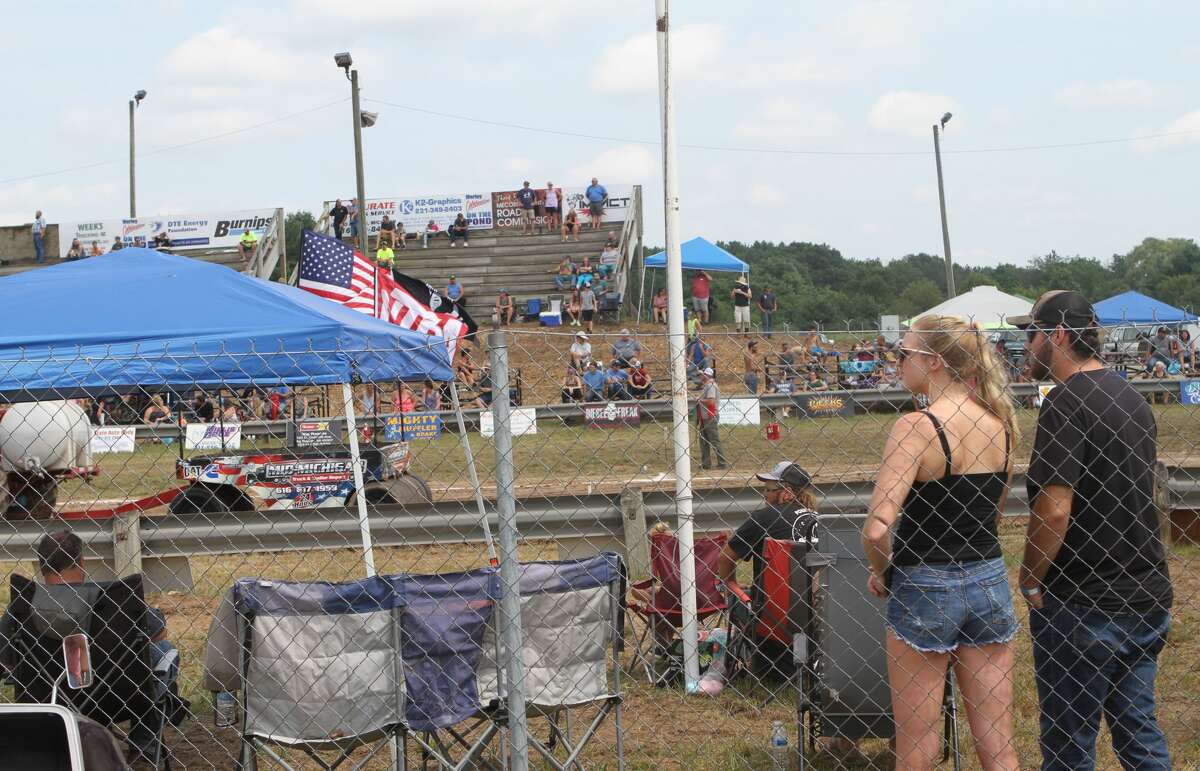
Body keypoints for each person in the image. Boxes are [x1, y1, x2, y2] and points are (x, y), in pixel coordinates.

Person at [1013, 291, 1174, 771]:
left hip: (1085, 600)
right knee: (1138, 731)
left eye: (1032, 332)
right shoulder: (1128, 395)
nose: (1028, 344)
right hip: (1145, 591)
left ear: (1058, 335)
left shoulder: (1064, 403)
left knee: (1069, 743)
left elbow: (1055, 509)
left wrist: (1030, 576)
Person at [861, 314, 1019, 771]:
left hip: (923, 583)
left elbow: (876, 528)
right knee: (997, 745)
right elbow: (992, 512)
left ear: (932, 362)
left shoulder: (916, 426)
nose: (898, 363)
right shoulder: (1000, 422)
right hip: (988, 580)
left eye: (903, 353)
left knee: (918, 748)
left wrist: (882, 571)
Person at [0, 532, 181, 762]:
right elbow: (159, 634)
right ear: (82, 562)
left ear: (41, 566)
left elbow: (4, 661)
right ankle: (143, 744)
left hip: (49, 701)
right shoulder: (115, 598)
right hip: (118, 696)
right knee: (164, 650)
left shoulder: (24, 605)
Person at [696, 367, 726, 470]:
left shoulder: (711, 386)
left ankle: (722, 463)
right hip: (705, 417)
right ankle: (706, 463)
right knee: (703, 441)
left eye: (701, 374)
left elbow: (711, 402)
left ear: (707, 375)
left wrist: (699, 400)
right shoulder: (707, 386)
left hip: (710, 417)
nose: (699, 376)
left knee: (714, 440)